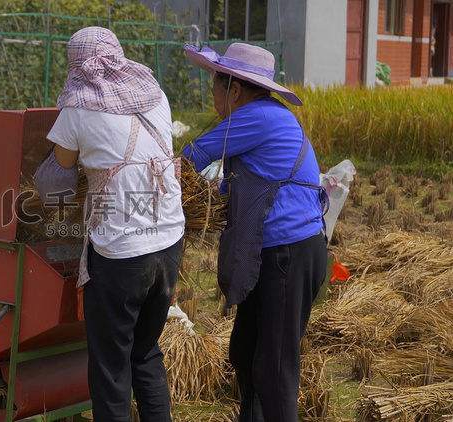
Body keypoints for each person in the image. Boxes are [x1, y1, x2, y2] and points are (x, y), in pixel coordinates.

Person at [34, 26, 185, 422]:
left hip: (122, 255)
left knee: (111, 367)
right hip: (170, 244)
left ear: (77, 65)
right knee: (145, 351)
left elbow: (58, 180)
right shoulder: (155, 95)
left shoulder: (79, 106)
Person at [181, 43, 328, 422]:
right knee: (245, 351)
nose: (212, 96)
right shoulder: (262, 117)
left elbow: (191, 157)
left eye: (215, 87)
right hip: (274, 251)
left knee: (274, 368)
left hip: (288, 253)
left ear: (234, 89)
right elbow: (232, 188)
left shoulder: (257, 116)